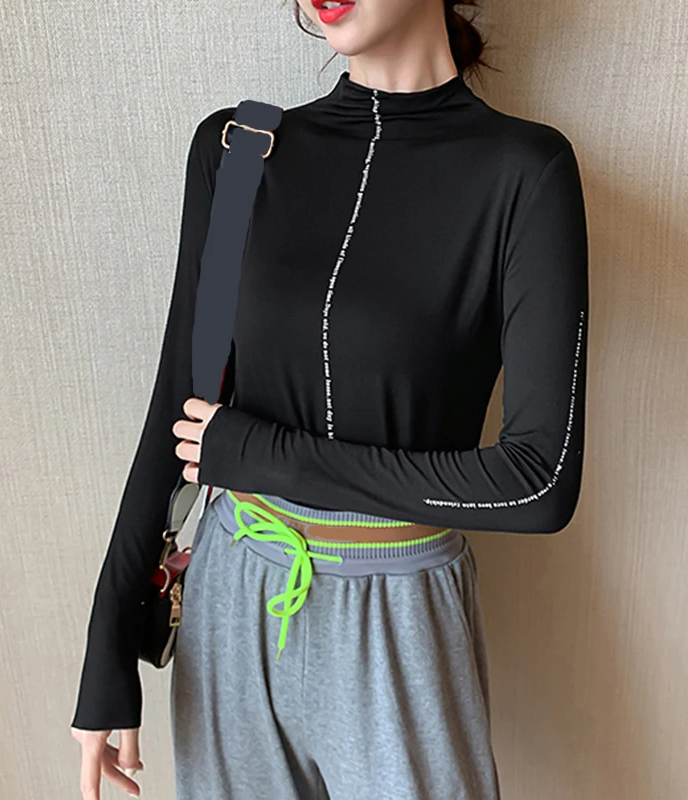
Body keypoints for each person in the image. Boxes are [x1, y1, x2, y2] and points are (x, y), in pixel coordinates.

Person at [70, 0, 590, 798]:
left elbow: (538, 483)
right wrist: (107, 640)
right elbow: (180, 395)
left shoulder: (525, 171)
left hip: (398, 613)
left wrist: (261, 454)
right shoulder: (239, 152)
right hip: (232, 591)